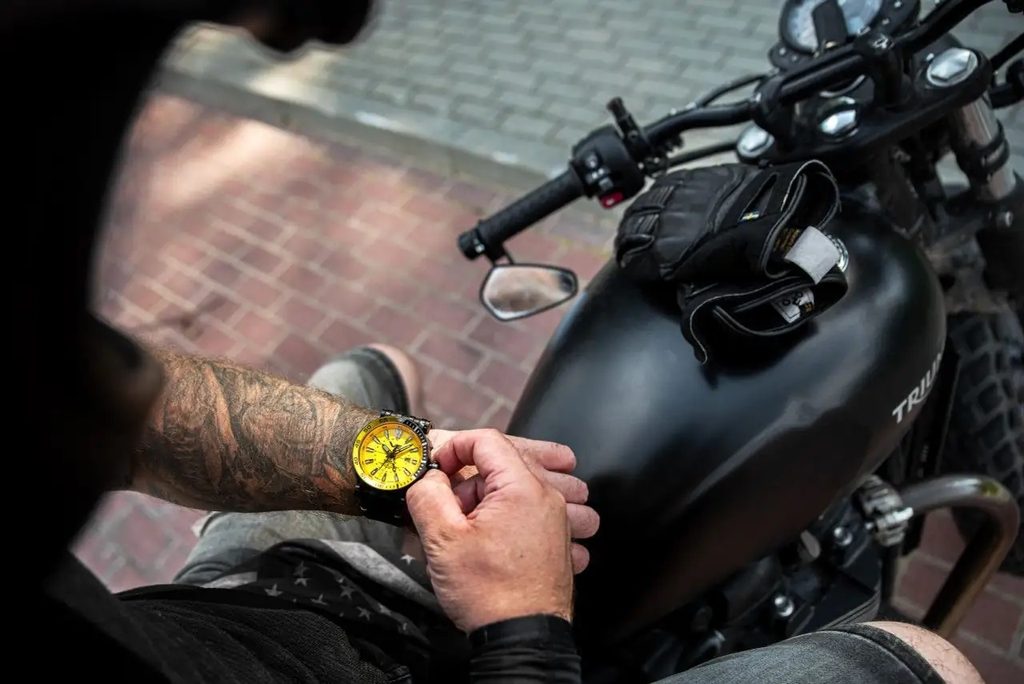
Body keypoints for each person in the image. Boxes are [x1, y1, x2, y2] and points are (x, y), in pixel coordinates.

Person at [17, 1, 984, 682]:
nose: (339, 25)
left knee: (376, 372)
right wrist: (523, 627)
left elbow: (137, 416)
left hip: (266, 609)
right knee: (928, 663)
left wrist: (412, 467)